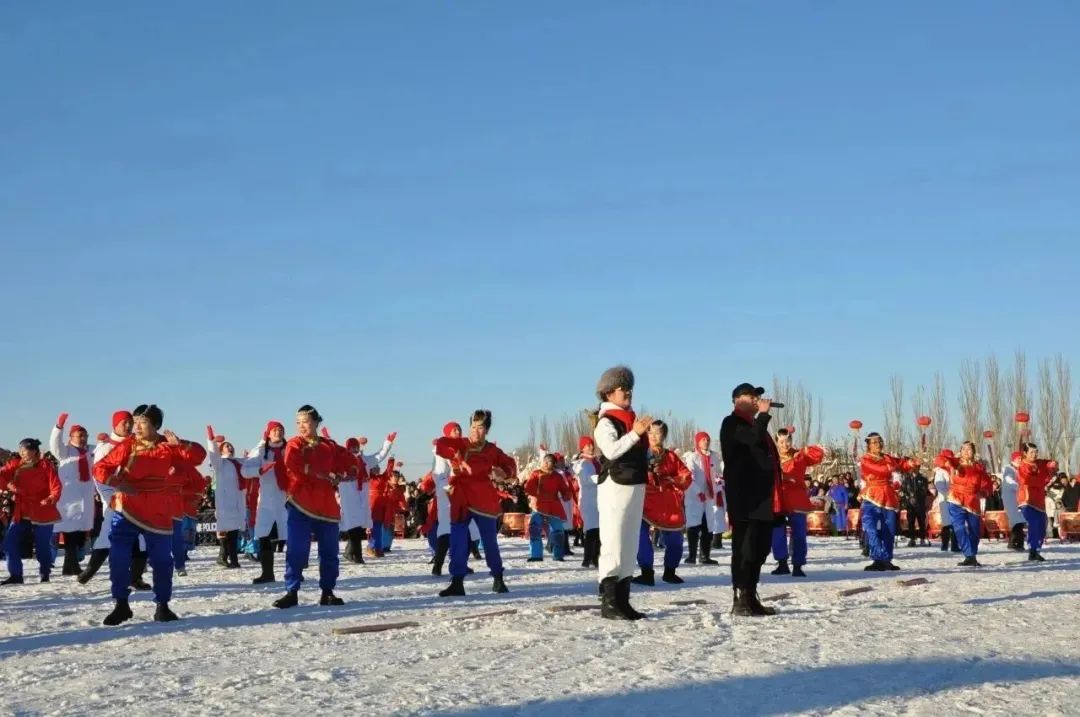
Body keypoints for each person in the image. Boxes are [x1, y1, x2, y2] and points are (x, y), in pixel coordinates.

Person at [92, 404, 203, 624]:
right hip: (128, 507)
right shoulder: (128, 446)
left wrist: (181, 444)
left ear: (155, 425)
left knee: (162, 560)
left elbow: (198, 457)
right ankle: (121, 604)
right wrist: (116, 483)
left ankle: (162, 605)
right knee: (119, 555)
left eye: (143, 422)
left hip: (157, 510)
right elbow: (100, 468)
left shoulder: (168, 447)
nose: (137, 426)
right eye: (135, 421)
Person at [273, 405, 359, 609]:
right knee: (297, 549)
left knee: (329, 551)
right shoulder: (295, 443)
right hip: (300, 503)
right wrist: (320, 473)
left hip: (327, 505)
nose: (301, 426)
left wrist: (345, 474)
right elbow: (291, 462)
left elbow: (350, 461)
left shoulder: (329, 446)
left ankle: (327, 592)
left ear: (316, 423)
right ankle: (291, 591)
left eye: (306, 422)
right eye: (298, 422)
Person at [433, 409, 518, 597]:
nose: (475, 431)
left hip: (483, 498)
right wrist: (453, 452)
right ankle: (457, 582)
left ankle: (498, 577)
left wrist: (503, 473)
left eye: (479, 428)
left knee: (489, 542)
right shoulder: (462, 444)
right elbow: (441, 445)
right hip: (461, 497)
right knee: (457, 540)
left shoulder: (492, 451)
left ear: (486, 430)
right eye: (472, 427)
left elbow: (510, 465)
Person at [592, 366, 653, 620]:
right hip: (615, 485)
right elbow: (611, 450)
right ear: (608, 393)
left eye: (630, 388)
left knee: (629, 542)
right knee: (614, 541)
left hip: (635, 483)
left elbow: (636, 449)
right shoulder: (606, 421)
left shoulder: (630, 419)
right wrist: (635, 434)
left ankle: (623, 598)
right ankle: (609, 601)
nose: (628, 393)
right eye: (622, 388)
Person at [719, 383, 781, 617]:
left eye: (758, 396)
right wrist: (764, 415)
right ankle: (740, 596)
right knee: (744, 547)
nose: (757, 399)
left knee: (761, 547)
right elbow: (752, 439)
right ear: (737, 399)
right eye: (751, 395)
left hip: (762, 496)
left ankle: (752, 593)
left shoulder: (758, 426)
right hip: (744, 496)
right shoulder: (732, 423)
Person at [634, 420, 693, 586]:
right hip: (645, 499)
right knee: (640, 535)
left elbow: (686, 476)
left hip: (667, 501)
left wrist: (670, 479)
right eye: (650, 432)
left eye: (657, 432)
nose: (653, 436)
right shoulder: (640, 454)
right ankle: (646, 572)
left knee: (675, 538)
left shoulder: (671, 456)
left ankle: (670, 571)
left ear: (664, 435)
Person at [79, 410, 134, 584]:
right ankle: (90, 569)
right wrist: (113, 495)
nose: (128, 425)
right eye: (124, 422)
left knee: (140, 539)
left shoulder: (137, 444)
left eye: (130, 422)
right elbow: (99, 476)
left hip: (137, 500)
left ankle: (136, 576)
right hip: (115, 500)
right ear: (115, 425)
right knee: (107, 535)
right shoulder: (105, 447)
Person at [1, 439, 62, 585]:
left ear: (34, 451)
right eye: (20, 450)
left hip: (43, 511)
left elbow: (56, 487)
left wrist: (51, 498)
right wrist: (10, 485)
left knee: (42, 547)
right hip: (22, 511)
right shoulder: (16, 464)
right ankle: (16, 575)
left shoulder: (45, 466)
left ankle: (45, 572)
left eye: (25, 450)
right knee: (9, 543)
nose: (22, 452)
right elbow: (2, 476)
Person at [858, 432, 918, 571]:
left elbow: (902, 464)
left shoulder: (888, 458)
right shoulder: (865, 459)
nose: (878, 444)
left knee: (889, 530)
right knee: (870, 528)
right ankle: (877, 557)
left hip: (888, 496)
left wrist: (911, 463)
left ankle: (886, 559)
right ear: (868, 446)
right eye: (874, 442)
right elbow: (880, 470)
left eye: (879, 441)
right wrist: (893, 466)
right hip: (871, 496)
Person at [770, 429, 825, 578]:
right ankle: (782, 563)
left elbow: (818, 456)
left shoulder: (800, 455)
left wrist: (807, 449)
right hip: (778, 498)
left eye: (787, 441)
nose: (785, 444)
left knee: (799, 533)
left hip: (797, 498)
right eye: (781, 441)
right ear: (776, 442)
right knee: (777, 532)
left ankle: (798, 565)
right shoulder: (771, 457)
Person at [49, 413, 97, 576]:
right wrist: (58, 427)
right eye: (79, 435)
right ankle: (72, 565)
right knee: (70, 533)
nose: (83, 438)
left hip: (85, 496)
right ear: (71, 437)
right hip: (69, 498)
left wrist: (105, 440)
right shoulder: (65, 451)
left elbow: (107, 452)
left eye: (85, 435)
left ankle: (70, 565)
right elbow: (54, 444)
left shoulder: (90, 451)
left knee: (79, 533)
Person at [206, 429, 261, 570]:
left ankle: (230, 558)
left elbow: (253, 459)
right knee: (226, 529)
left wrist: (263, 441)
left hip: (237, 500)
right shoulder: (220, 463)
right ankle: (226, 557)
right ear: (221, 450)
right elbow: (213, 456)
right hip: (225, 501)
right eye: (226, 446)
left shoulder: (238, 462)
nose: (230, 447)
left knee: (235, 530)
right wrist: (211, 441)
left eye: (231, 446)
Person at [247, 421, 289, 584]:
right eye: (274, 430)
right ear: (268, 433)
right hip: (266, 500)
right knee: (264, 535)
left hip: (287, 498)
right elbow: (245, 470)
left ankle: (295, 572)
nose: (278, 432)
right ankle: (267, 573)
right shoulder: (260, 451)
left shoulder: (289, 449)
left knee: (291, 537)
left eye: (280, 430)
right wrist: (259, 471)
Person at [940, 443, 993, 567]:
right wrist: (948, 462)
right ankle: (969, 555)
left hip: (972, 500)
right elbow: (940, 459)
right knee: (959, 528)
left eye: (969, 449)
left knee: (975, 531)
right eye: (963, 449)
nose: (965, 451)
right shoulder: (955, 463)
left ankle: (972, 555)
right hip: (956, 498)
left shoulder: (979, 467)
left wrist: (984, 491)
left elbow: (987, 483)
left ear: (974, 452)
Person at [682, 432, 722, 566]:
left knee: (708, 526)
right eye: (703, 439)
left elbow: (718, 473)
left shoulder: (714, 456)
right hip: (695, 497)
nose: (706, 442)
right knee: (693, 525)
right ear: (698, 442)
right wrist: (697, 491)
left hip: (709, 496)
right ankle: (692, 555)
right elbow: (689, 476)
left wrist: (719, 483)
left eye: (708, 439)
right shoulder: (692, 457)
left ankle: (705, 555)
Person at [523, 454, 571, 562]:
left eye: (549, 461)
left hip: (554, 506)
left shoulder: (557, 476)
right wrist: (533, 491)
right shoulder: (536, 474)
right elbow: (529, 487)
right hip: (539, 505)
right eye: (545, 461)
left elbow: (565, 489)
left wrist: (566, 494)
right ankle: (536, 555)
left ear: (553, 464)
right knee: (534, 529)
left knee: (558, 530)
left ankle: (558, 555)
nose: (546, 463)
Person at [1016, 443, 1057, 562]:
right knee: (1033, 524)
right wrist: (1045, 478)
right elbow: (1027, 480)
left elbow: (1050, 463)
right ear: (1025, 453)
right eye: (1031, 452)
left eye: (1036, 452)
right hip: (1027, 500)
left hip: (1039, 501)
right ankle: (1032, 551)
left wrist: (1052, 466)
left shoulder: (1039, 463)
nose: (1034, 455)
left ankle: (1036, 550)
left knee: (1041, 526)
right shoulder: (1022, 466)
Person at [572, 437, 602, 569]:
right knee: (591, 530)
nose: (590, 447)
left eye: (591, 445)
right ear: (582, 448)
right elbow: (586, 479)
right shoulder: (582, 463)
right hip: (588, 500)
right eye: (587, 445)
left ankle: (596, 558)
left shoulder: (595, 461)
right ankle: (587, 559)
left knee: (600, 530)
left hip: (599, 499)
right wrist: (603, 478)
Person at [1000, 452, 1026, 551]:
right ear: (1014, 459)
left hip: (1016, 497)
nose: (1020, 460)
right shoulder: (1009, 469)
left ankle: (1015, 542)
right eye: (1018, 458)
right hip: (1010, 497)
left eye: (1021, 458)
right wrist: (1020, 487)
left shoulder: (1018, 469)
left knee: (1019, 519)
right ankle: (1015, 543)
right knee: (1017, 519)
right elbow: (1009, 480)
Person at [900, 468, 931, 547]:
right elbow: (903, 490)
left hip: (920, 504)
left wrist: (917, 495)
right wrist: (907, 497)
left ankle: (922, 538)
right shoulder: (906, 479)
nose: (913, 470)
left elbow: (925, 491)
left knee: (921, 522)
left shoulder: (923, 479)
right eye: (912, 468)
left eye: (915, 468)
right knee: (911, 522)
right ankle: (912, 539)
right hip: (910, 504)